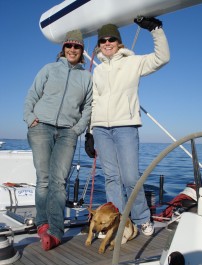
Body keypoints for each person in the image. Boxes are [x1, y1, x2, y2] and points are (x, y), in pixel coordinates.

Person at [85, 17, 170, 236]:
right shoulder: (98, 71)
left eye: (111, 38)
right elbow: (94, 101)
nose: (107, 43)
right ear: (99, 44)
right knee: (112, 178)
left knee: (131, 178)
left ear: (119, 42)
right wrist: (90, 132)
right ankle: (118, 223)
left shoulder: (133, 62)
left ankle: (142, 218)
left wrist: (156, 30)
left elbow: (162, 58)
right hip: (101, 130)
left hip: (126, 127)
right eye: (103, 40)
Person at [23, 30, 93, 250]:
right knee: (43, 179)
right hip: (41, 127)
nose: (72, 50)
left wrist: (78, 129)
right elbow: (32, 95)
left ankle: (55, 231)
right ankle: (42, 224)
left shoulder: (86, 77)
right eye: (69, 46)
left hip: (67, 132)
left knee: (59, 182)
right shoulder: (49, 69)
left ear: (82, 51)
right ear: (63, 48)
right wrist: (30, 118)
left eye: (77, 47)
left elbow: (89, 106)